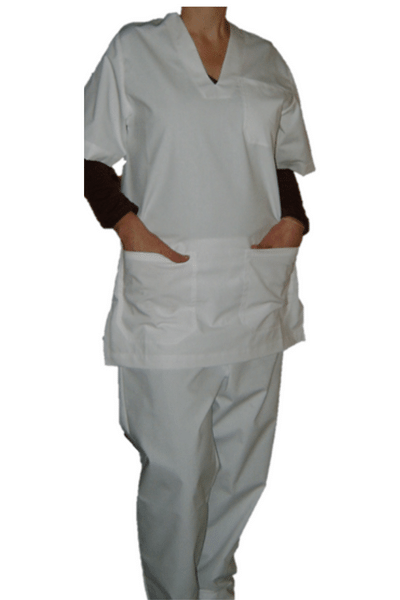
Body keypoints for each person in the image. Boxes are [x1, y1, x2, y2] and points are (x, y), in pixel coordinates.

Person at [84, 7, 315, 599]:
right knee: (178, 475)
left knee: (243, 467)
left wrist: (294, 220)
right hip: (169, 294)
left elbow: (281, 161)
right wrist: (128, 227)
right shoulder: (134, 50)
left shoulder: (266, 58)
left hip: (255, 290)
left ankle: (215, 588)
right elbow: (90, 159)